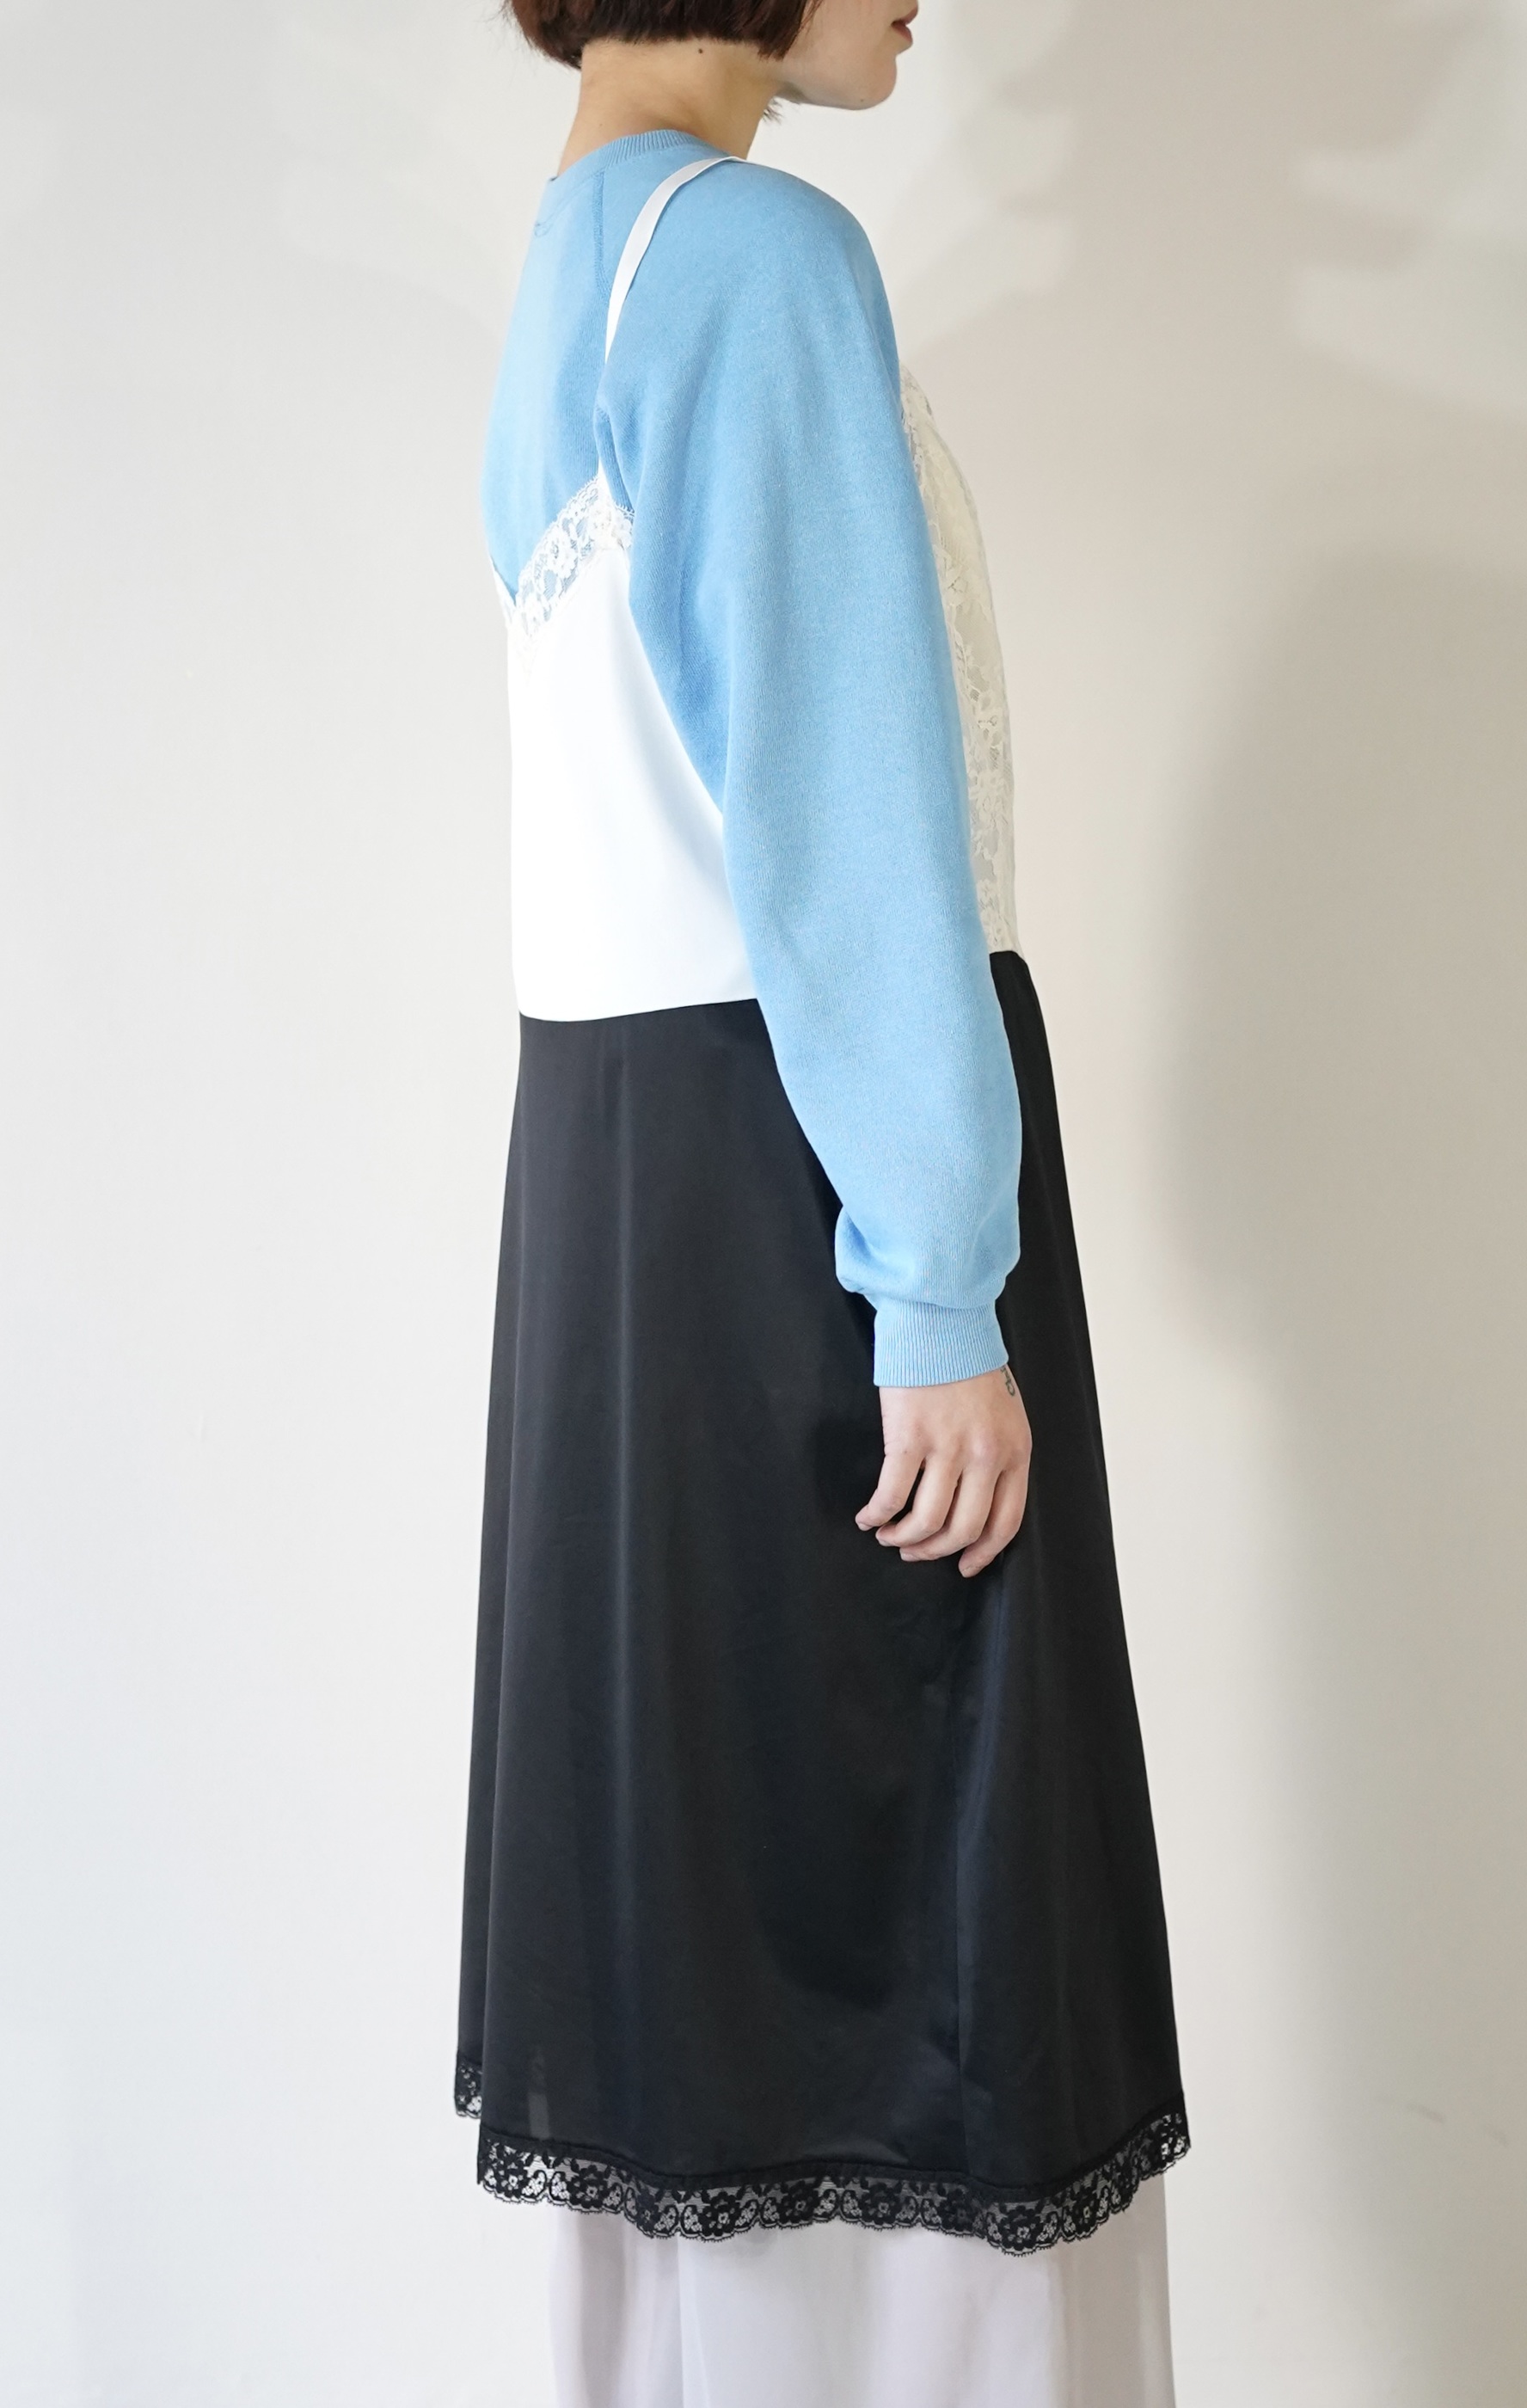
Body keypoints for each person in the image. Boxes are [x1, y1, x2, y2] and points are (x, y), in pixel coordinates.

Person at [456, 2, 1188, 2399]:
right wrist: (938, 1279)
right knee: (917, 1945)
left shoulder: (578, 252)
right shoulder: (757, 254)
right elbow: (841, 817)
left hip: (633, 1205)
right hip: (816, 1196)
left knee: (710, 1917)